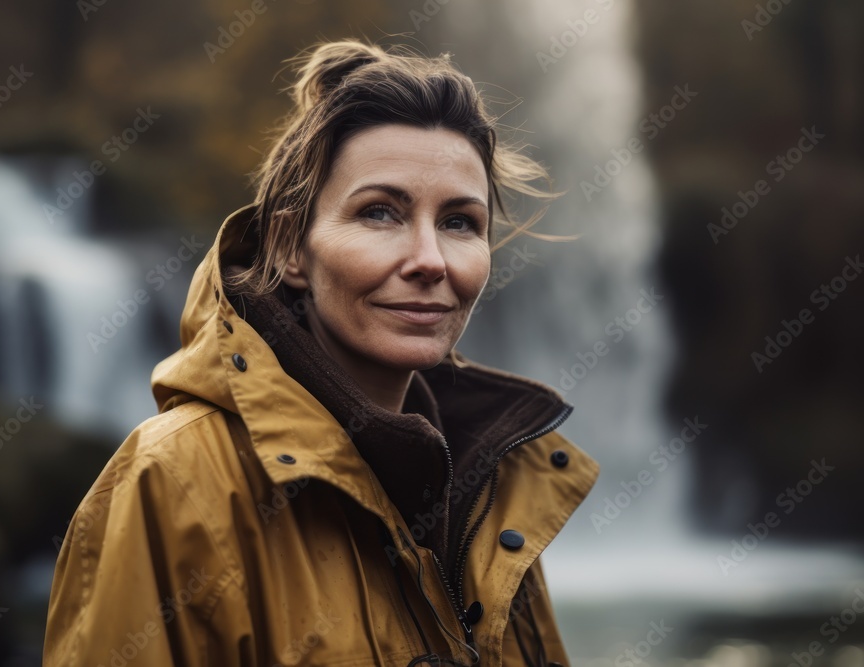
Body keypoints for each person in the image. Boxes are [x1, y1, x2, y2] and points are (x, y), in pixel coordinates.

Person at [43, 38, 598, 666]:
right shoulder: (173, 482)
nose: (429, 260)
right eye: (380, 213)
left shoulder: (496, 486)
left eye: (459, 222)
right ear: (287, 246)